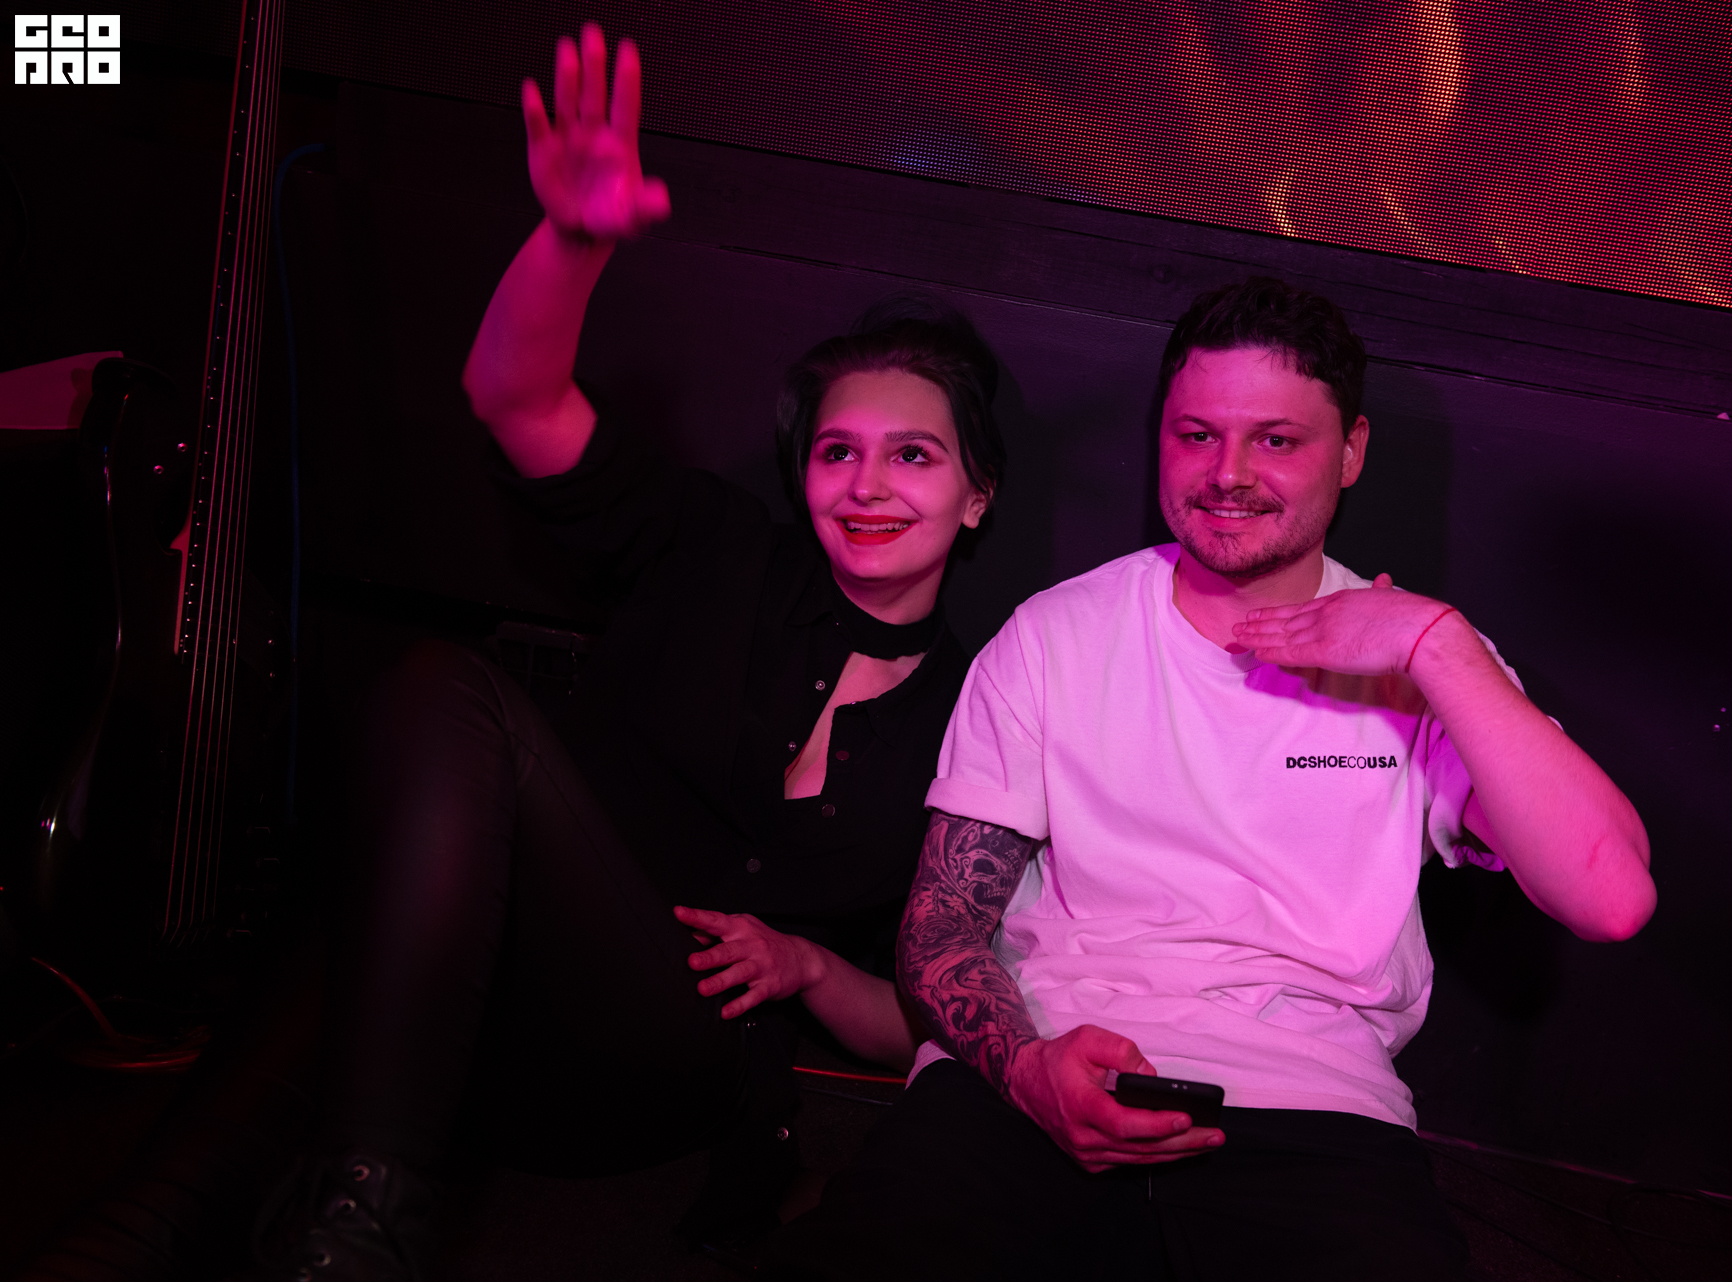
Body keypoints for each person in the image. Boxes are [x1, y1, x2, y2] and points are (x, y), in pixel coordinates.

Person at [256, 23, 1006, 1281]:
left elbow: (922, 1025)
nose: (869, 484)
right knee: (442, 690)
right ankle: (357, 1229)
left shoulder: (985, 713)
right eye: (838, 451)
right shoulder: (712, 549)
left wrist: (806, 961)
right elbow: (515, 401)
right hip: (497, 998)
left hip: (673, 1069)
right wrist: (574, 240)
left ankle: (360, 1214)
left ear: (977, 497)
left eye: (914, 456)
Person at [765, 276, 1657, 1281]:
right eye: (1197, 435)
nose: (1228, 474)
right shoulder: (1057, 637)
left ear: (1352, 450)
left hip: (1314, 1117)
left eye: (1276, 439)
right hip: (1035, 1075)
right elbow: (938, 929)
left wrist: (1435, 646)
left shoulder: (1431, 665)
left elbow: (1611, 897)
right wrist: (1027, 1068)